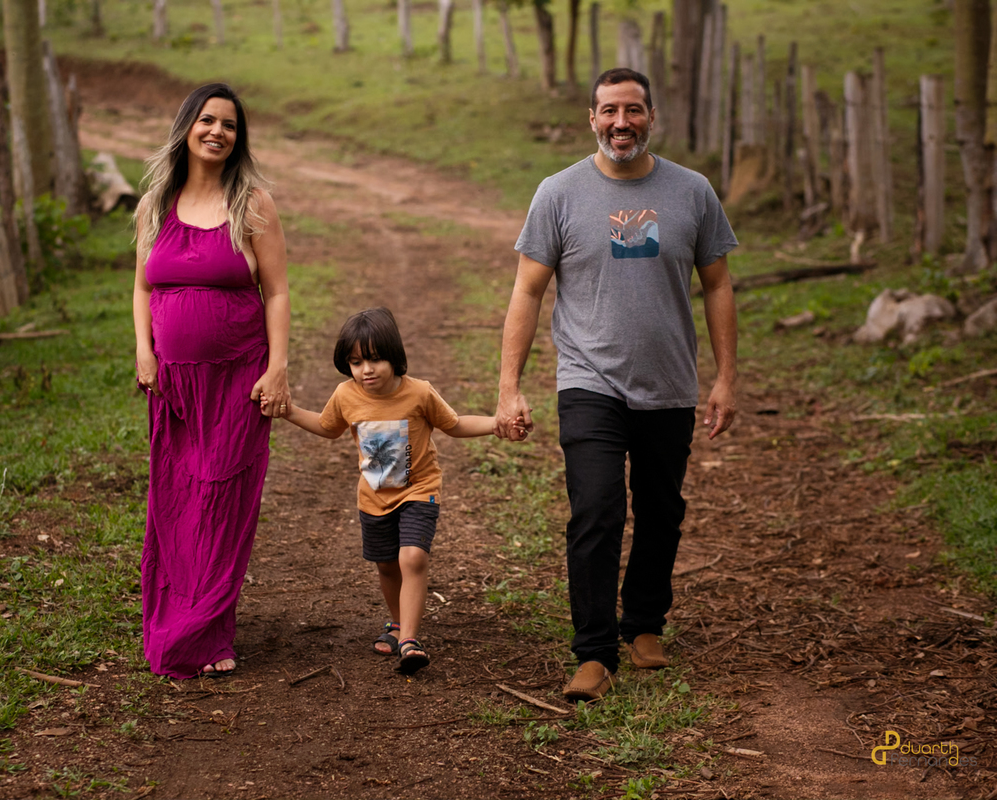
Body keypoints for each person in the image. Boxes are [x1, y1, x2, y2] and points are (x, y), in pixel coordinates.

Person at [495, 68, 739, 702]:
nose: (620, 122)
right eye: (609, 111)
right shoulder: (559, 192)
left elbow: (717, 283)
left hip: (670, 385)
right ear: (593, 118)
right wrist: (508, 387)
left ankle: (645, 624)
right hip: (588, 379)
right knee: (598, 509)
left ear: (650, 116)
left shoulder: (691, 191)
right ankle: (595, 651)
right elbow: (527, 290)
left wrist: (726, 379)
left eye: (632, 110)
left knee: (662, 510)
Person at [132, 83, 290, 679]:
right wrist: (143, 352)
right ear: (187, 128)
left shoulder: (252, 204)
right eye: (206, 120)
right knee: (175, 501)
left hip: (237, 381)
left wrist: (277, 367)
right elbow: (144, 287)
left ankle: (209, 631)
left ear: (238, 137)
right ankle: (176, 619)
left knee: (223, 500)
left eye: (228, 124)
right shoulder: (155, 204)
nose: (217, 131)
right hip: (173, 385)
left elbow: (275, 291)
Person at [263, 307, 517, 675]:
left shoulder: (419, 393)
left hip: (419, 490)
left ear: (394, 357)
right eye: (356, 362)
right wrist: (287, 411)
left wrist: (497, 424)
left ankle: (411, 640)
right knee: (386, 565)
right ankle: (398, 624)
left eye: (375, 359)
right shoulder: (346, 395)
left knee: (411, 557)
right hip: (374, 498)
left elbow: (456, 424)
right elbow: (326, 426)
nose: (366, 370)